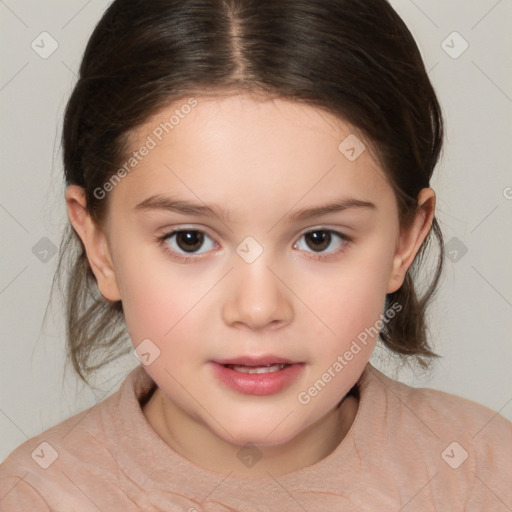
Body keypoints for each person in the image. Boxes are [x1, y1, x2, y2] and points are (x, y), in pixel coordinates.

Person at [1, 0, 511, 510]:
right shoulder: (35, 496)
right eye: (189, 240)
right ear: (101, 247)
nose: (258, 308)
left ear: (404, 241)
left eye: (319, 239)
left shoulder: (486, 474)